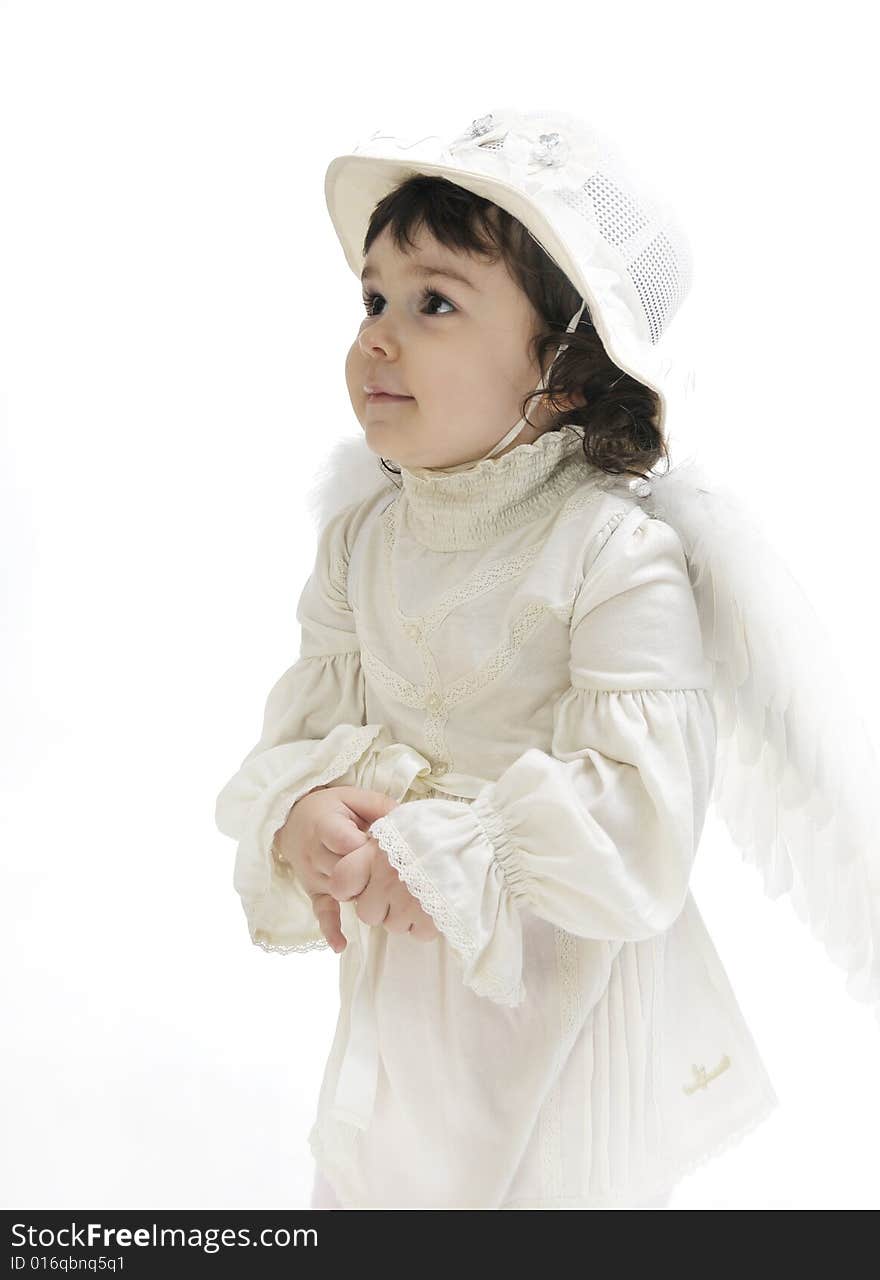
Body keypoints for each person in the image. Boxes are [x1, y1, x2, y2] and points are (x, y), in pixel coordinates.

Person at [214, 107, 880, 1210]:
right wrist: (309, 806)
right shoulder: (363, 540)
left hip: (556, 974)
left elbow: (641, 811)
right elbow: (307, 723)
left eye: (434, 302)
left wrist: (454, 847)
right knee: (386, 1173)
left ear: (568, 369)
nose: (377, 334)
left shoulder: (614, 555)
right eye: (372, 298)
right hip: (412, 969)